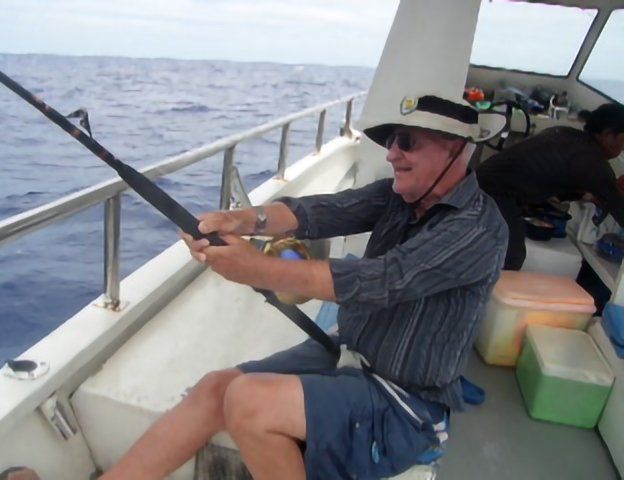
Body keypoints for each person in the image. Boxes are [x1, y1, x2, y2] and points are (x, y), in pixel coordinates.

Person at [96, 95, 508, 480]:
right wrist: (241, 220)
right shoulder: (398, 198)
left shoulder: (477, 230)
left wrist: (256, 268)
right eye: (391, 142)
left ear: (456, 149)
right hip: (349, 352)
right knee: (215, 388)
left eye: (407, 142)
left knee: (249, 401)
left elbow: (381, 281)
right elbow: (318, 212)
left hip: (404, 402)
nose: (391, 154)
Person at [476, 103, 624, 270]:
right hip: (496, 192)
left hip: (480, 181)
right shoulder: (593, 162)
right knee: (511, 256)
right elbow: (619, 209)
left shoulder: (566, 134)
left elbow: (555, 178)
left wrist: (589, 196)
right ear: (608, 135)